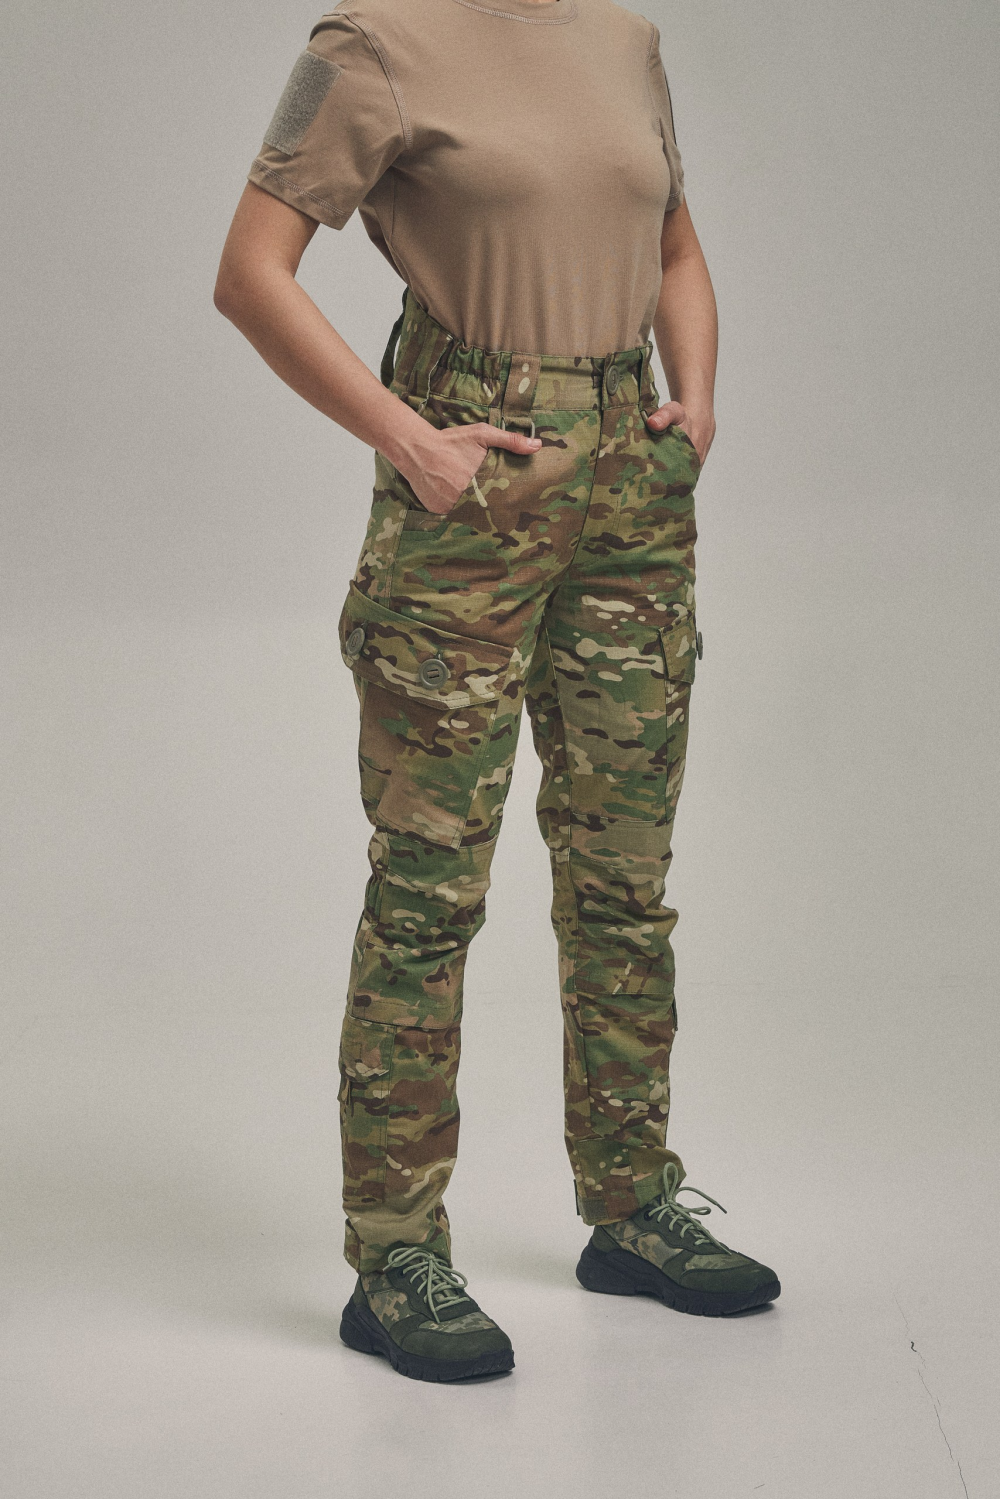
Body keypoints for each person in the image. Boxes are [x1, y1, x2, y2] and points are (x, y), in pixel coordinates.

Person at [215, 0, 780, 1384]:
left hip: (631, 487)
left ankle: (632, 1203)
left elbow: (674, 247)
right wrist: (405, 436)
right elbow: (249, 273)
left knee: (624, 877)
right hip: (473, 487)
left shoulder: (625, 39)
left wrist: (696, 401)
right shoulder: (371, 45)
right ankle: (395, 1253)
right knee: (430, 889)